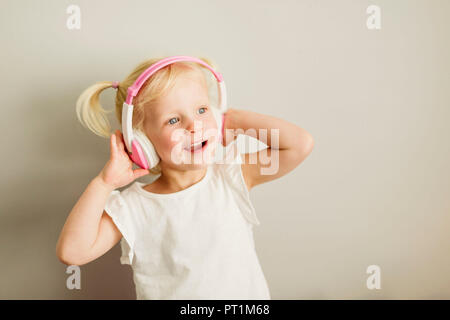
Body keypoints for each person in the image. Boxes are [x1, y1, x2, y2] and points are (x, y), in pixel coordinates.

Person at [56, 56, 314, 299]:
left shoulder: (231, 176)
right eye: (173, 120)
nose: (194, 125)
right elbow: (72, 252)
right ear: (142, 143)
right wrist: (104, 183)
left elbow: (299, 145)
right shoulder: (134, 207)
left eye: (202, 110)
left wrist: (232, 120)